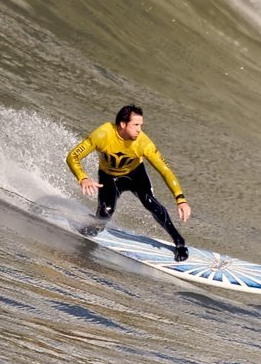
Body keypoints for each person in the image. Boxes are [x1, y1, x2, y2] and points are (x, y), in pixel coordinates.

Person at [66, 104, 193, 261]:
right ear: (123, 124)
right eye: (136, 125)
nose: (139, 130)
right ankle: (95, 224)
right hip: (109, 177)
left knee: (150, 203)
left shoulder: (144, 143)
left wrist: (180, 199)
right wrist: (83, 178)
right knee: (105, 214)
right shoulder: (103, 134)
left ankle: (179, 242)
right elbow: (73, 156)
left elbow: (165, 170)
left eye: (141, 125)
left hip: (135, 175)